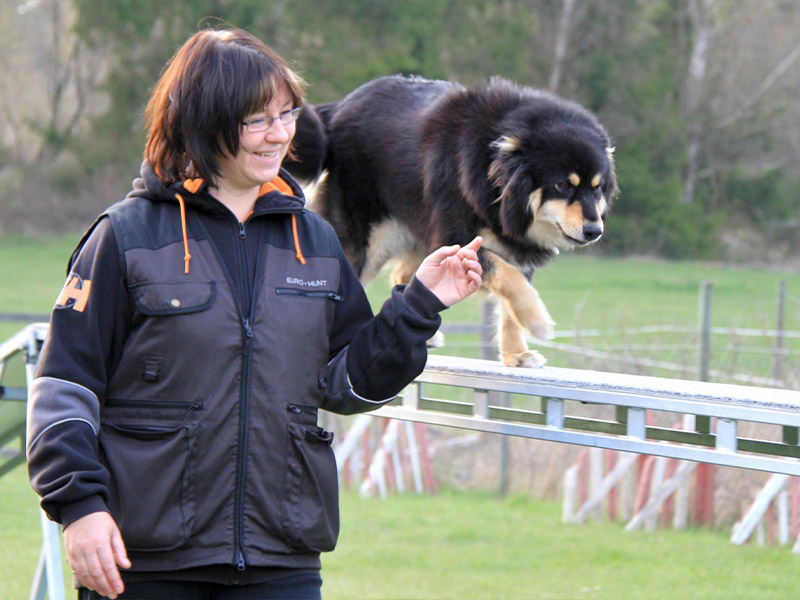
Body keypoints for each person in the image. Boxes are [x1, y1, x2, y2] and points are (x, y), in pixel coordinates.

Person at [25, 27, 482, 600]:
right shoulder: (125, 237)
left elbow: (349, 385)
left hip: (280, 558)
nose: (280, 135)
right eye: (257, 121)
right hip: (143, 559)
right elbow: (65, 387)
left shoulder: (314, 241)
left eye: (288, 115)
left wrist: (420, 304)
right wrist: (79, 507)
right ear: (205, 121)